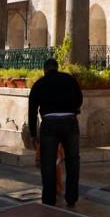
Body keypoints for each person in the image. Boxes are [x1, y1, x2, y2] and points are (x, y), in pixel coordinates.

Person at [28, 58, 83, 207]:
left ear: (45, 70)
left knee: (48, 162)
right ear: (57, 68)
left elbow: (32, 111)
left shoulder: (39, 84)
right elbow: (79, 98)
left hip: (49, 124)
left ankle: (49, 199)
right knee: (72, 161)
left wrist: (33, 134)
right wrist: (73, 109)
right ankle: (71, 197)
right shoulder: (69, 79)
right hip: (69, 122)